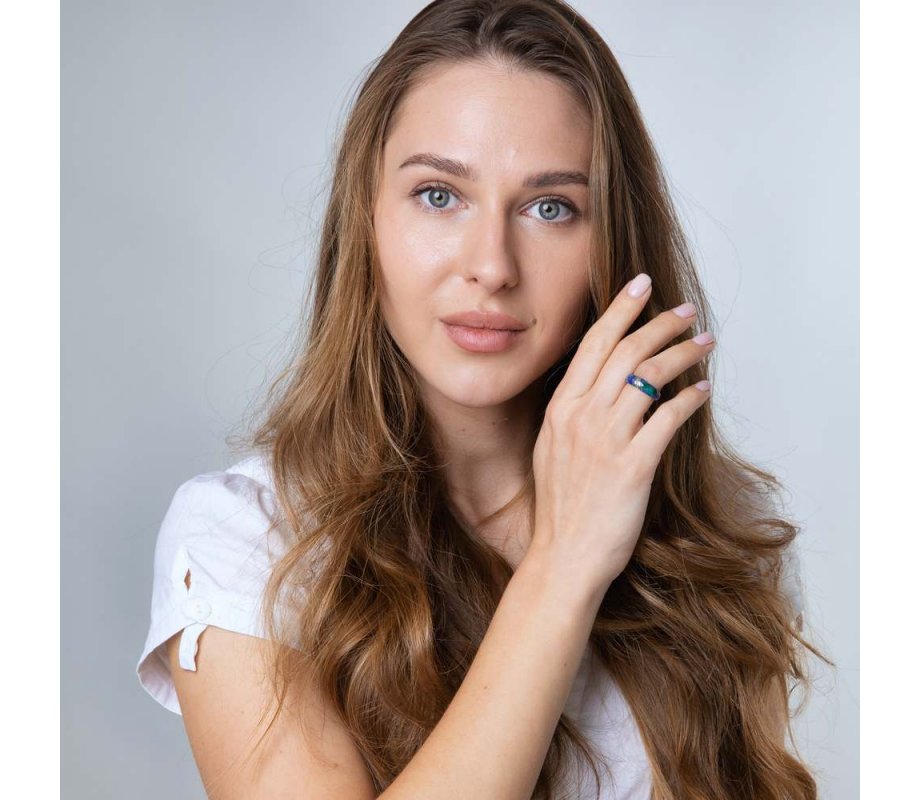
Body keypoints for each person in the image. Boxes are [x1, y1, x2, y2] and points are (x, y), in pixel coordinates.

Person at [136, 1, 830, 798]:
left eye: (550, 208)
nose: (492, 265)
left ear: (612, 244)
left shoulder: (718, 532)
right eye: (439, 195)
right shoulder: (247, 540)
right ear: (367, 221)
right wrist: (565, 565)